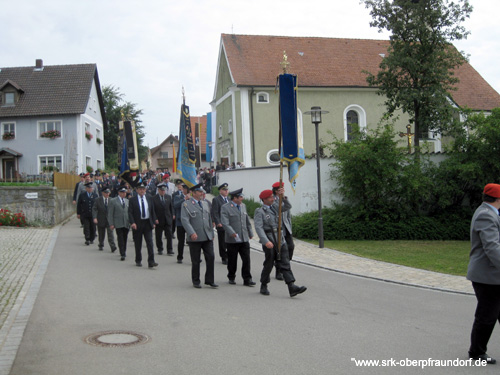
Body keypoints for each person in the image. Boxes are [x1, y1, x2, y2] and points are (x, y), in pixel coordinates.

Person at [467, 183, 500, 364]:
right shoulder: (485, 216)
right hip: (487, 277)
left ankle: (477, 350)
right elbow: (492, 248)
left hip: (494, 276)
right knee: (487, 316)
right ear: (497, 199)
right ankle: (477, 352)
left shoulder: (490, 213)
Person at [254, 188, 306, 298]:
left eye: (273, 197)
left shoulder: (275, 208)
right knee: (268, 264)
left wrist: (284, 197)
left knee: (285, 263)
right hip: (269, 240)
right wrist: (265, 241)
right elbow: (258, 228)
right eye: (270, 197)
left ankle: (291, 287)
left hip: (280, 240)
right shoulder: (260, 211)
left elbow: (287, 207)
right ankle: (264, 284)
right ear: (264, 199)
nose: (273, 199)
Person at [181, 183, 218, 289]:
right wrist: (191, 232)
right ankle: (196, 280)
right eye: (199, 192)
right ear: (193, 192)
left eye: (202, 192)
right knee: (196, 260)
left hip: (207, 235)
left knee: (211, 257)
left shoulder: (205, 203)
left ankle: (210, 280)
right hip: (195, 236)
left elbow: (209, 219)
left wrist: (211, 232)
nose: (202, 193)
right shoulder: (186, 204)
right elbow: (185, 220)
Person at [220, 188, 255, 286]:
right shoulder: (225, 207)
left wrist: (250, 232)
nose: (242, 199)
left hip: (244, 238)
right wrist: (232, 232)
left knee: (246, 259)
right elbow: (225, 223)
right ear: (234, 198)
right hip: (232, 239)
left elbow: (247, 220)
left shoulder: (243, 206)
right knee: (232, 260)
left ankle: (247, 279)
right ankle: (231, 276)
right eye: (240, 197)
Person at [128, 182, 158, 268]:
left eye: (143, 189)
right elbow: (130, 212)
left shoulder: (149, 198)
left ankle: (151, 261)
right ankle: (138, 260)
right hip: (138, 223)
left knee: (150, 243)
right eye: (140, 189)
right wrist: (132, 222)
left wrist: (154, 221)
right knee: (138, 243)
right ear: (137, 190)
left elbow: (152, 210)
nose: (142, 190)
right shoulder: (132, 200)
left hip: (147, 223)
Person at [272, 182, 295, 280]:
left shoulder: (285, 198)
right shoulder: (272, 200)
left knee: (291, 247)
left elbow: (288, 213)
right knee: (279, 251)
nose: (283, 190)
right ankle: (279, 270)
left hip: (286, 227)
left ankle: (285, 264)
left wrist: (290, 227)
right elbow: (280, 209)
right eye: (281, 189)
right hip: (278, 228)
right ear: (276, 190)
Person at [92, 186, 117, 252]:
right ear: (103, 193)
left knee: (110, 234)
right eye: (106, 193)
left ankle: (112, 246)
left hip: (109, 220)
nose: (107, 194)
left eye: (108, 193)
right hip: (101, 219)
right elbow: (94, 209)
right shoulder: (98, 200)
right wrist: (95, 217)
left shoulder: (112, 200)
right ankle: (101, 244)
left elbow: (114, 210)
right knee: (101, 233)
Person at [108, 186, 130, 261]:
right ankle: (122, 253)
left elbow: (129, 212)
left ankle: (124, 250)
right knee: (120, 238)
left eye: (125, 192)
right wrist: (111, 223)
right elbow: (110, 213)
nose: (124, 194)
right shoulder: (113, 201)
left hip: (126, 222)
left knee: (125, 237)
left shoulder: (127, 201)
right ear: (119, 193)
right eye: (122, 192)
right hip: (118, 222)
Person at [153, 182, 174, 255]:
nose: (163, 191)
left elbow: (171, 208)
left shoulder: (168, 197)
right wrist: (155, 218)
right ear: (158, 190)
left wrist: (172, 216)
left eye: (164, 190)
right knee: (158, 236)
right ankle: (160, 248)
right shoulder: (154, 198)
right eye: (161, 190)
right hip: (159, 220)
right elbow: (153, 210)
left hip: (167, 219)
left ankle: (170, 249)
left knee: (169, 235)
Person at [211, 183, 230, 264]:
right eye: (224, 190)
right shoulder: (216, 199)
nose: (226, 191)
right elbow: (215, 212)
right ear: (220, 191)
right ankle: (223, 256)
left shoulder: (229, 199)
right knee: (222, 241)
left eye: (227, 190)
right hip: (221, 223)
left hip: (229, 224)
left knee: (229, 241)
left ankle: (229, 255)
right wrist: (217, 222)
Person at [173, 181, 190, 264]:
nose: (186, 190)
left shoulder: (191, 198)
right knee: (181, 240)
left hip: (190, 222)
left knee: (192, 241)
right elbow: (175, 205)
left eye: (187, 189)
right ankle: (180, 256)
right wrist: (184, 199)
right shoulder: (178, 197)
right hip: (180, 222)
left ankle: (194, 257)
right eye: (185, 189)